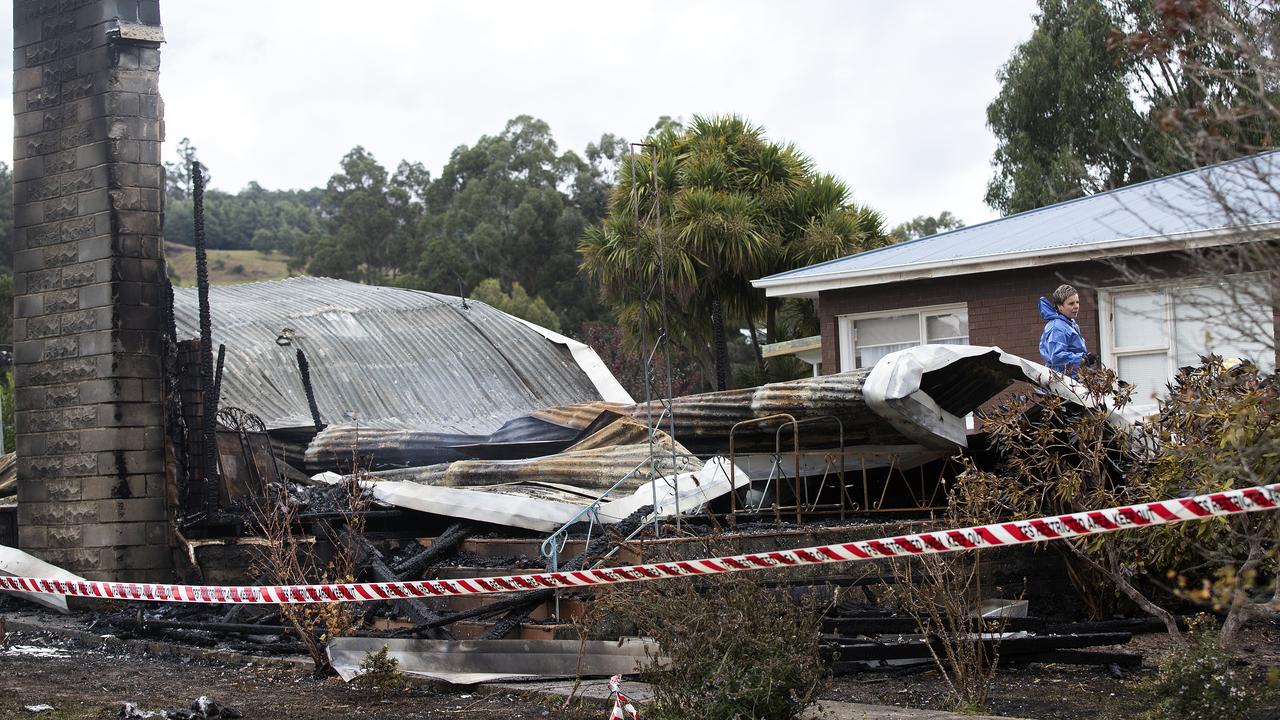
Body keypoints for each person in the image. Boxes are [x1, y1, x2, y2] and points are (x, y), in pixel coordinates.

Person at [1038, 284, 1096, 375]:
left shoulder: (1069, 324)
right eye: (1071, 303)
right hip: (1063, 380)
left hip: (1071, 377)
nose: (1076, 306)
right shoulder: (1057, 327)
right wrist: (1083, 359)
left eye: (1077, 302)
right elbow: (1056, 356)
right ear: (1059, 306)